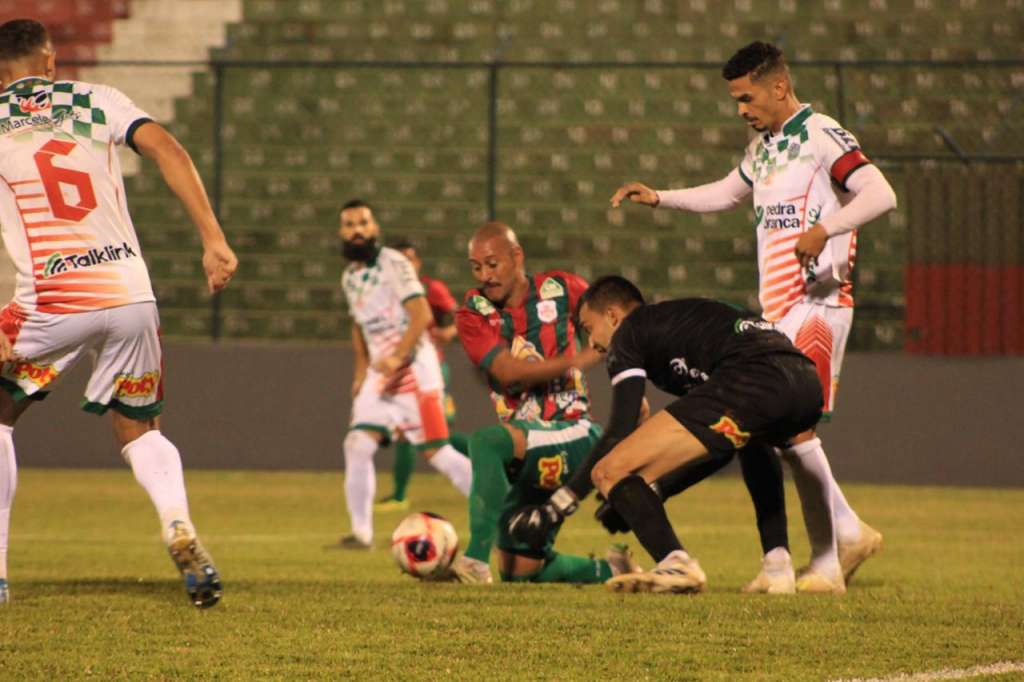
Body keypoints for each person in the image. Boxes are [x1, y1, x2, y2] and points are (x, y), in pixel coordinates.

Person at [609, 41, 895, 588]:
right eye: (736, 99)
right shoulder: (763, 145)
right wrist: (661, 198)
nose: (741, 108)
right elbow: (727, 193)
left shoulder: (820, 135)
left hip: (818, 303)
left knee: (795, 431)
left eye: (747, 97)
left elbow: (880, 193)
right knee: (777, 432)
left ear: (779, 86)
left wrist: (825, 229)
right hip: (778, 310)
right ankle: (836, 538)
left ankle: (830, 562)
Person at [0, 19, 238, 608]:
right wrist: (213, 240)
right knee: (138, 426)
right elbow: (168, 149)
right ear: (50, 62)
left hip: (52, 298)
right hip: (129, 290)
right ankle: (177, 521)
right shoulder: (97, 100)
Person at [508, 275, 825, 594]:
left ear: (613, 316)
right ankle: (777, 566)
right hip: (805, 382)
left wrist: (556, 508)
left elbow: (618, 430)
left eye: (589, 328)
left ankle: (675, 562)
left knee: (608, 471)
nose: (591, 344)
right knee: (751, 441)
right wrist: (653, 491)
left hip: (754, 377)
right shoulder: (677, 326)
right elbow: (720, 446)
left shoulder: (629, 332)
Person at [450, 221, 638, 585]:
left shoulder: (561, 289)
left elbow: (615, 329)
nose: (485, 275)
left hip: (575, 431)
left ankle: (473, 561)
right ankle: (614, 570)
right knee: (520, 570)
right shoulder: (472, 314)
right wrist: (576, 360)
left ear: (516, 256)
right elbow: (507, 373)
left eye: (492, 264)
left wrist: (634, 389)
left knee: (485, 443)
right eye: (476, 267)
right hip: (528, 449)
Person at [334, 200, 472, 549]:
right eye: (350, 224)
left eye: (364, 222)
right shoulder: (349, 277)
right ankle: (362, 534)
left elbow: (422, 313)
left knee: (439, 454)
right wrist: (360, 373)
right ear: (341, 233)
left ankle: (502, 511)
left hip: (415, 370)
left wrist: (398, 355)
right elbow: (358, 326)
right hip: (381, 375)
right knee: (357, 444)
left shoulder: (393, 263)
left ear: (375, 228)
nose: (357, 230)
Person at [374, 239, 469, 512]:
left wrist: (446, 333)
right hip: (403, 372)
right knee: (415, 432)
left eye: (410, 260)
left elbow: (460, 317)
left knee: (438, 436)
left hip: (431, 371)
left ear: (417, 264)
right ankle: (399, 494)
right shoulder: (387, 293)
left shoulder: (430, 289)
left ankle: (497, 461)